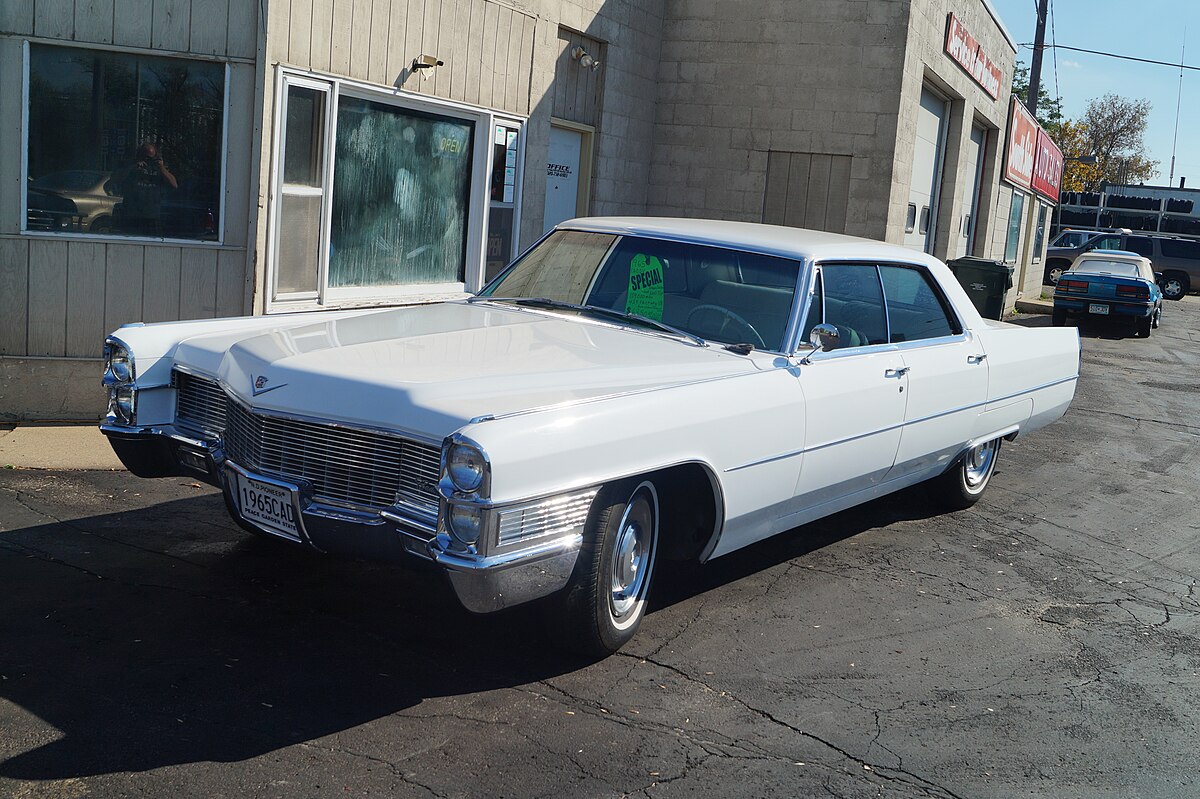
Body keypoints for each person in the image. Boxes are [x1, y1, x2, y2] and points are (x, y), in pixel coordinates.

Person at [113, 142, 177, 236]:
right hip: (132, 214)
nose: (148, 160)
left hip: (152, 214)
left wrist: (162, 168)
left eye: (151, 157)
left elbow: (174, 185)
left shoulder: (159, 169)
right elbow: (116, 180)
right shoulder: (131, 165)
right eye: (146, 157)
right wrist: (133, 167)